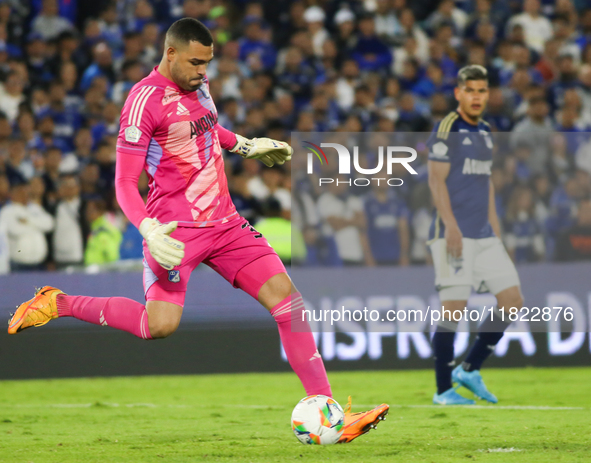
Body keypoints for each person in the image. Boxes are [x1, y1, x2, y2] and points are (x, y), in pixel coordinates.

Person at [8, 18, 388, 442]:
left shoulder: (199, 85)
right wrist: (148, 229)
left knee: (289, 304)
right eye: (194, 62)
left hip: (226, 223)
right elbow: (122, 183)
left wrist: (245, 144)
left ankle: (333, 415)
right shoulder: (142, 101)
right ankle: (58, 303)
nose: (202, 71)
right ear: (169, 53)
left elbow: (206, 127)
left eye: (207, 62)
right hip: (173, 231)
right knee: (159, 326)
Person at [427, 65, 524, 405]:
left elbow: (488, 184)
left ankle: (469, 368)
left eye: (482, 91)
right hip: (453, 234)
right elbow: (436, 180)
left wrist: (496, 232)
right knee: (453, 310)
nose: (477, 97)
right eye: (471, 90)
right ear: (458, 93)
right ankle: (442, 391)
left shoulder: (485, 131)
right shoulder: (447, 129)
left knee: (512, 302)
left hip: (484, 235)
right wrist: (451, 226)